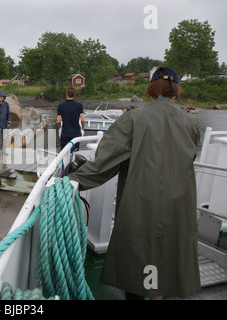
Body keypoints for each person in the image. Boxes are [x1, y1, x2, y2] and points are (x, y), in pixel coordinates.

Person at [68, 66, 201, 300]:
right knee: (167, 258)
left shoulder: (133, 119)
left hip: (142, 204)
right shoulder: (190, 123)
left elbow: (103, 164)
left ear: (150, 89)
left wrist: (67, 182)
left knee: (139, 262)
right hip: (180, 205)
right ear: (177, 90)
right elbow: (189, 158)